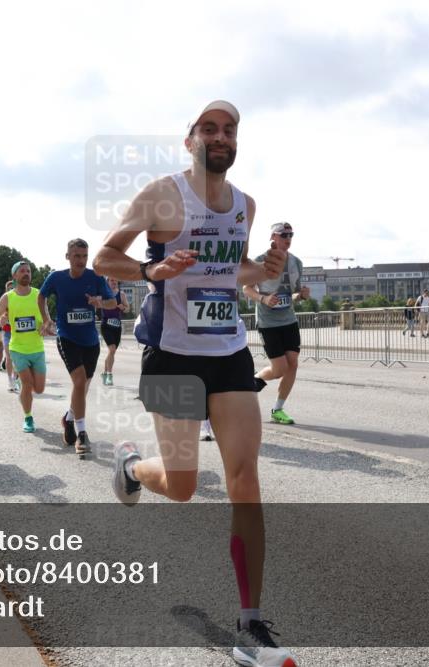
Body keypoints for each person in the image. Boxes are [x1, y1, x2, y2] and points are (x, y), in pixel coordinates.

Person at [94, 100, 297, 666]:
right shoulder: (163, 194)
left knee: (244, 477)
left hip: (229, 351)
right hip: (170, 355)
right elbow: (109, 256)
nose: (221, 135)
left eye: (230, 128)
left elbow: (235, 273)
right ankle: (131, 468)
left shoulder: (245, 206)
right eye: (209, 128)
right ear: (190, 140)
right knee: (182, 486)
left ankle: (251, 625)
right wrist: (150, 271)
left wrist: (266, 270)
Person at [40, 238, 117, 457]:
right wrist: (46, 319)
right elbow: (41, 296)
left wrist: (99, 303)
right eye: (76, 256)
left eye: (84, 256)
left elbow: (112, 303)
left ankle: (69, 419)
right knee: (79, 381)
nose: (81, 260)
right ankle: (82, 435)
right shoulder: (56, 277)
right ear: (68, 256)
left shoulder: (95, 277)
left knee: (82, 388)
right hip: (67, 337)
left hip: (91, 341)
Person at [243, 221, 309, 425]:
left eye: (291, 235)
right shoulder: (261, 261)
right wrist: (263, 299)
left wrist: (302, 295)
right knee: (279, 368)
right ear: (273, 237)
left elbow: (294, 293)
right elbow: (247, 288)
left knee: (293, 364)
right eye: (283, 235)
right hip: (268, 322)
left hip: (289, 319)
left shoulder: (296, 262)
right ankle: (253, 382)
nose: (288, 238)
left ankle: (278, 409)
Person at [0, 260, 55, 433]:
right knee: (27, 384)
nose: (26, 273)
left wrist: (46, 326)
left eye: (28, 271)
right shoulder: (8, 297)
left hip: (37, 348)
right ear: (15, 275)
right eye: (22, 271)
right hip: (17, 349)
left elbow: (47, 318)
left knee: (39, 389)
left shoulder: (39, 295)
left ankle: (22, 388)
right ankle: (28, 417)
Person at [99, 277, 129, 386]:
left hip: (117, 326)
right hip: (106, 325)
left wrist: (123, 308)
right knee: (111, 349)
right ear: (107, 282)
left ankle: (104, 373)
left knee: (112, 352)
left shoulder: (121, 294)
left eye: (115, 280)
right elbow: (96, 304)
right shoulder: (103, 294)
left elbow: (127, 309)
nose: (114, 282)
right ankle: (109, 376)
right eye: (111, 280)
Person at [2, 280, 19, 392]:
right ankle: (10, 381)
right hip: (7, 332)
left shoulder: (21, 299)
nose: (11, 289)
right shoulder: (4, 301)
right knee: (9, 356)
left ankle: (16, 377)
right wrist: (1, 318)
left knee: (18, 357)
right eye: (9, 287)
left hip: (19, 333)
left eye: (13, 287)